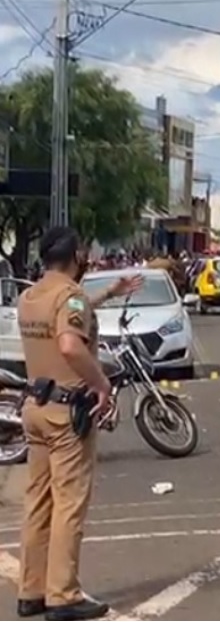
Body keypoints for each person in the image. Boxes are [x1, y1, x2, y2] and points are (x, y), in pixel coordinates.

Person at [15, 227, 142, 621]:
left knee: (38, 501)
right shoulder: (70, 297)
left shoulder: (29, 296)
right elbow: (70, 342)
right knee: (69, 502)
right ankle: (63, 594)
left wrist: (109, 292)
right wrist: (100, 383)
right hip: (68, 412)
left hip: (36, 408)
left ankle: (31, 590)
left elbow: (72, 307)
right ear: (75, 259)